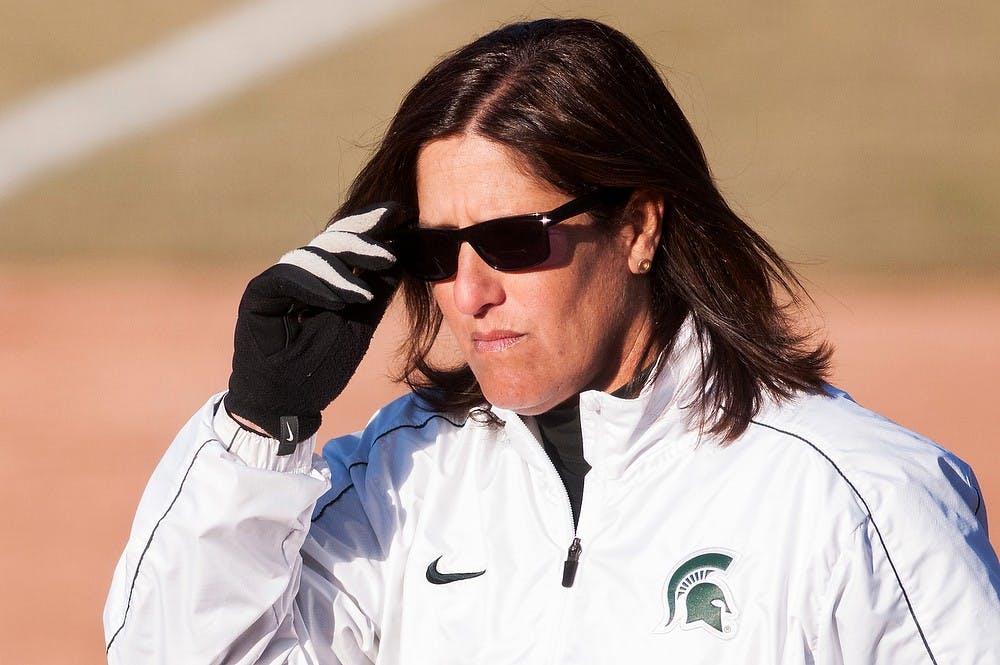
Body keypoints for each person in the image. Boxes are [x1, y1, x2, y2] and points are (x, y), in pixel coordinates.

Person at [104, 18, 1000, 664]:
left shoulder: (853, 497)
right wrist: (262, 429)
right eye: (436, 249)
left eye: (515, 239)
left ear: (641, 226)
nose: (471, 291)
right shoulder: (399, 485)